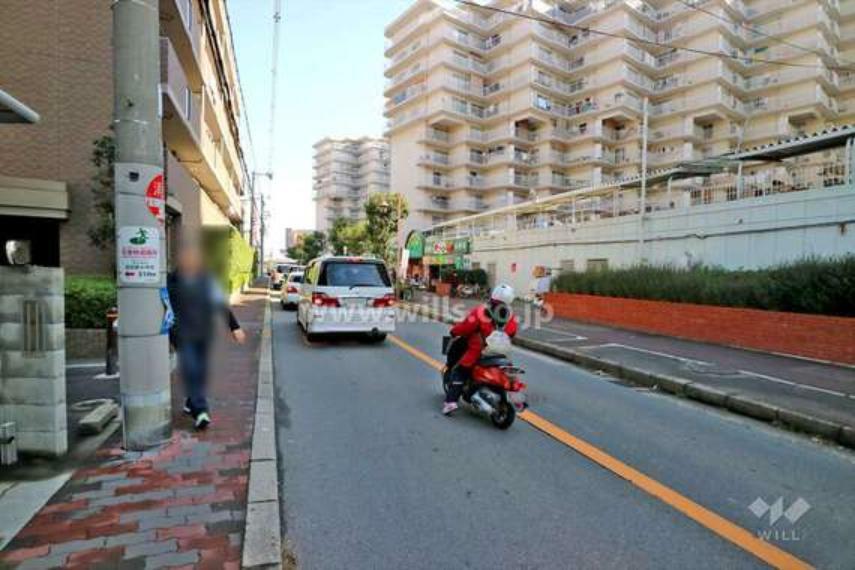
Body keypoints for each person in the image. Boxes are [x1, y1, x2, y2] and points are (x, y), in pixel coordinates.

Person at [167, 243, 246, 430]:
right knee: (192, 368)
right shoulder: (170, 281)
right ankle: (201, 411)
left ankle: (190, 402)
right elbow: (161, 306)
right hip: (181, 334)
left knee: (200, 371)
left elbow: (220, 303)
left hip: (203, 332)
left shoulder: (207, 280)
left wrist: (235, 327)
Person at [443, 283, 518, 416]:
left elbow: (466, 327)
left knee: (460, 370)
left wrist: (454, 332)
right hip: (502, 354)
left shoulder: (481, 311)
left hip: (479, 352)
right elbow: (512, 332)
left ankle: (450, 402)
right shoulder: (510, 317)